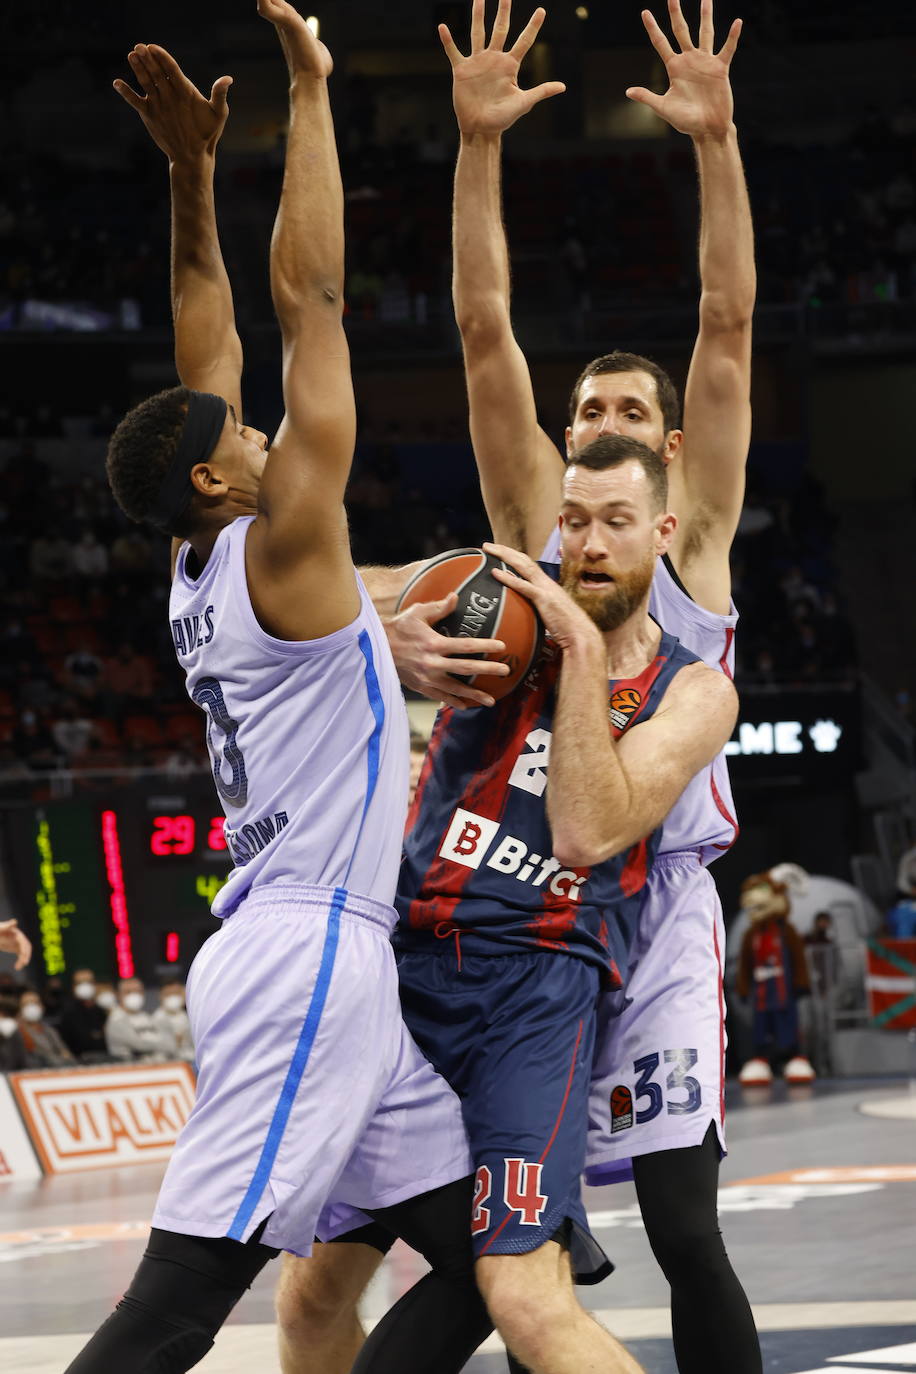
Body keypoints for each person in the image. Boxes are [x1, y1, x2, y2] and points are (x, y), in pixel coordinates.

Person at [279, 2, 760, 1372]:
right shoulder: (537, 537)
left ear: (664, 462)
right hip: (505, 909)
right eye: (580, 420)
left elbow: (726, 318)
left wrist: (716, 144)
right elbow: (483, 326)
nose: (591, 436)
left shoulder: (692, 537)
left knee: (683, 1219)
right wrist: (475, 145)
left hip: (647, 900)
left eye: (618, 420)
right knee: (484, 1255)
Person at [65, 6, 496, 1372]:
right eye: (243, 432)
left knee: (498, 1254)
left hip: (320, 948)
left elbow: (210, 339)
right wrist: (311, 93)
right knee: (182, 1303)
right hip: (308, 948)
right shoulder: (287, 545)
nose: (260, 427)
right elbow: (308, 302)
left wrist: (193, 179)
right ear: (215, 476)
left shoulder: (206, 563)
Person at [281, 433, 738, 1374]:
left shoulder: (693, 692)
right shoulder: (501, 601)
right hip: (405, 974)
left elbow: (586, 831)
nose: (591, 543)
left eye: (616, 522)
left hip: (537, 992)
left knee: (525, 1297)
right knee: (309, 1298)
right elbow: (301, 583)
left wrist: (576, 646)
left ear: (662, 531)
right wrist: (395, 622)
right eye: (574, 521)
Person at [105, 977, 177, 1062]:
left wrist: (164, 1045)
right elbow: (140, 1045)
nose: (134, 995)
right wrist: (162, 1044)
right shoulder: (116, 1019)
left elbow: (171, 1045)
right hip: (130, 1069)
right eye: (128, 992)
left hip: (157, 1067)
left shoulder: (148, 1018)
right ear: (118, 995)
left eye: (138, 991)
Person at [59, 967, 109, 1061]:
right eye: (80, 983)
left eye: (89, 982)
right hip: (81, 1063)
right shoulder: (67, 1014)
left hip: (108, 1059)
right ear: (74, 987)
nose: (85, 986)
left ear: (94, 984)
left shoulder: (103, 1010)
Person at [17, 987, 76, 1068]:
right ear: (20, 1009)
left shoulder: (50, 1030)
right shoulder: (18, 1033)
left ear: (42, 1007)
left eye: (35, 1003)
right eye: (26, 1004)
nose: (31, 1007)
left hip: (60, 1069)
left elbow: (65, 1052)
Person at [152, 978, 195, 1062]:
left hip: (191, 1060)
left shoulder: (188, 1016)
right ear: (160, 996)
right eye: (168, 994)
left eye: (176, 993)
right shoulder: (156, 1019)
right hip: (167, 1063)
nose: (173, 997)